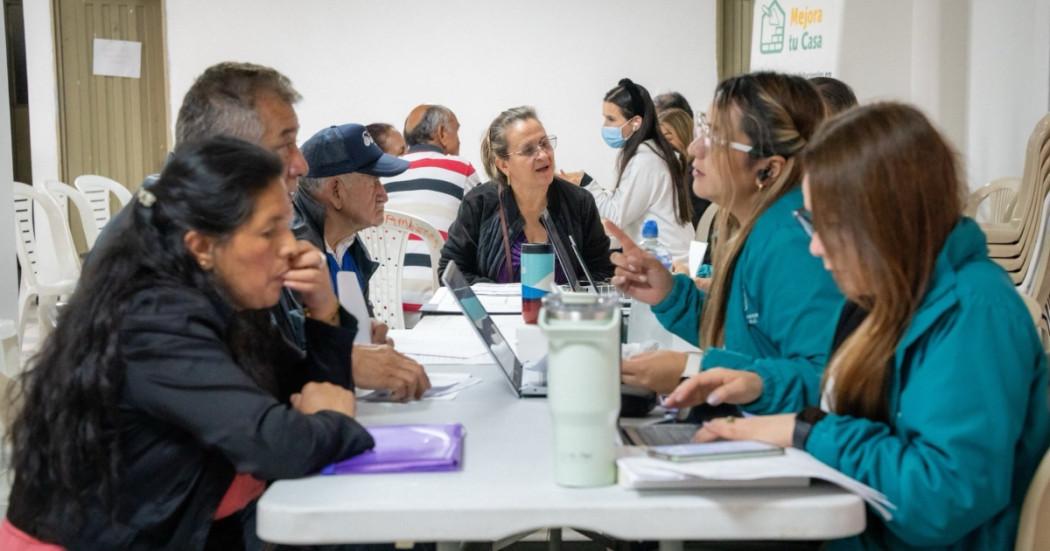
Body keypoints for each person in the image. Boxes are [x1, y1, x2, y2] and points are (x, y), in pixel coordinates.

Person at [676, 102, 1050, 550]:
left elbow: (940, 499)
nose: (814, 247)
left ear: (884, 218)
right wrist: (763, 385)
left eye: (826, 225)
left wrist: (805, 432)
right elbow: (858, 404)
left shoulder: (974, 312)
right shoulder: (892, 297)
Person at [2, 137, 374, 549]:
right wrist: (334, 419)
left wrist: (322, 309)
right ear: (201, 247)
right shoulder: (154, 321)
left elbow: (307, 388)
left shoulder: (230, 300)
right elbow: (276, 443)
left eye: (287, 225)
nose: (291, 248)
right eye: (270, 232)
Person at [613, 72, 842, 414]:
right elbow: (743, 339)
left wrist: (690, 371)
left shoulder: (795, 244)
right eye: (704, 128)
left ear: (769, 169)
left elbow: (825, 381)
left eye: (717, 138)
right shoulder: (758, 227)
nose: (694, 149)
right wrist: (671, 294)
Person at [295, 123, 431, 399]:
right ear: (335, 192)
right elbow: (282, 354)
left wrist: (367, 337)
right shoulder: (292, 253)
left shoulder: (350, 246)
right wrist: (348, 360)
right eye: (374, 182)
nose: (384, 195)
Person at [439, 106, 614, 284]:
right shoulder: (479, 203)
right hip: (497, 311)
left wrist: (566, 299)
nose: (543, 154)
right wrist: (498, 296)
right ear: (504, 166)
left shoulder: (580, 202)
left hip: (560, 310)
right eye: (528, 150)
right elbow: (450, 270)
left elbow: (602, 271)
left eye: (545, 143)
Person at [561, 78, 694, 262]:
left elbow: (616, 216)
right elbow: (624, 201)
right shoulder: (649, 151)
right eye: (604, 118)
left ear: (636, 122)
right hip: (664, 258)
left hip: (668, 263)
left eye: (611, 119)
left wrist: (585, 183)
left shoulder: (646, 159)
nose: (605, 127)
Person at [383, 105, 481, 318]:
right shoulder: (462, 169)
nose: (460, 141)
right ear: (442, 134)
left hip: (383, 304)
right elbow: (482, 236)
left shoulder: (383, 174)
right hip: (436, 304)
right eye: (457, 131)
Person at [659, 107, 711, 228]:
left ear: (684, 135)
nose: (663, 146)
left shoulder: (693, 176)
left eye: (668, 138)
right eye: (659, 141)